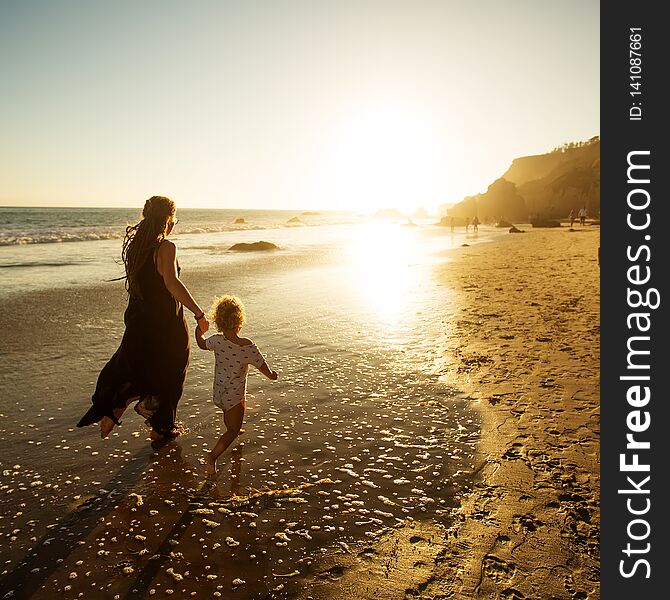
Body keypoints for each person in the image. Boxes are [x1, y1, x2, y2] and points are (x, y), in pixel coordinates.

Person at [77, 196, 210, 441]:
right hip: (165, 321)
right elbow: (172, 282)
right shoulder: (166, 247)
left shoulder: (136, 247)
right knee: (173, 369)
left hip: (139, 319)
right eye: (174, 220)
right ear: (168, 220)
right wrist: (199, 313)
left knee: (140, 365)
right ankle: (159, 429)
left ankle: (119, 407)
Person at [195, 295, 277, 478]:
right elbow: (263, 367)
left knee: (230, 420)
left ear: (218, 322)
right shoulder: (247, 346)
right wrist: (271, 376)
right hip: (234, 396)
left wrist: (199, 330)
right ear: (240, 320)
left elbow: (201, 344)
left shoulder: (216, 340)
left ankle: (232, 429)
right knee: (232, 429)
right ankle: (212, 457)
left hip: (218, 393)